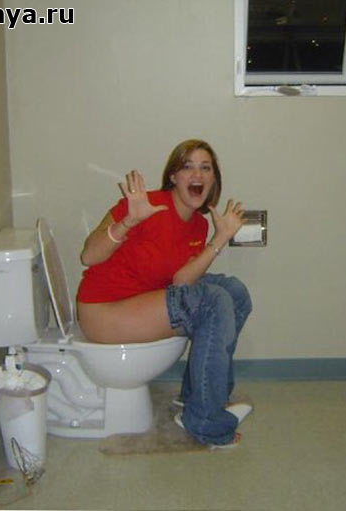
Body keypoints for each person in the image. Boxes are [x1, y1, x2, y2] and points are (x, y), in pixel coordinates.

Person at [76, 139, 253, 447]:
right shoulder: (144, 204)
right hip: (104, 310)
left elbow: (182, 281)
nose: (197, 174)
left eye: (205, 168)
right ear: (173, 176)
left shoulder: (198, 225)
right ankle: (207, 422)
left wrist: (220, 237)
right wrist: (129, 220)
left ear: (213, 179)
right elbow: (89, 256)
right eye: (188, 167)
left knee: (234, 293)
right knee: (212, 301)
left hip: (144, 303)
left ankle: (197, 400)